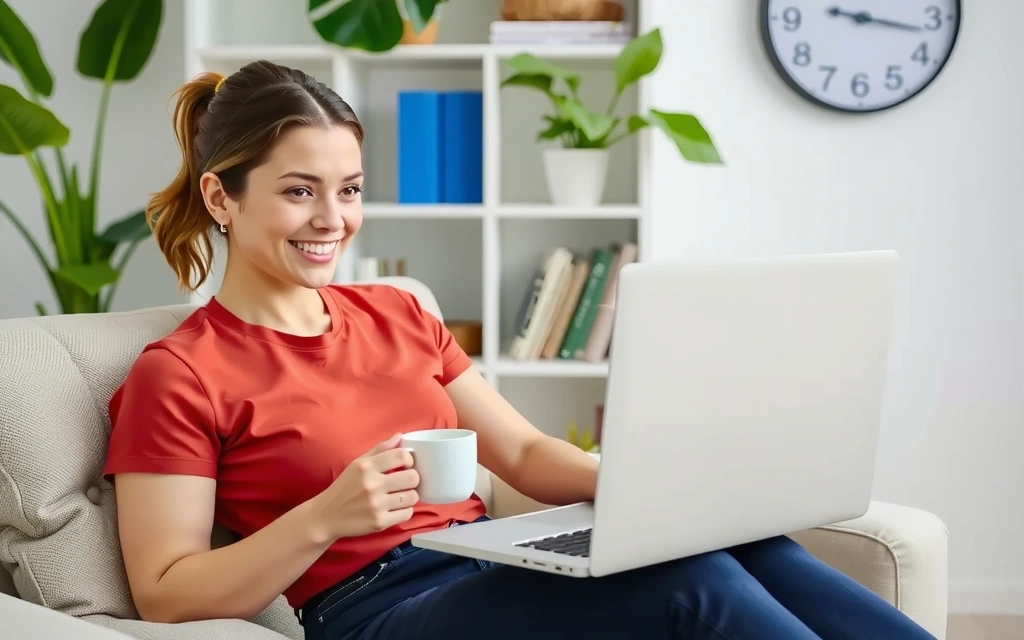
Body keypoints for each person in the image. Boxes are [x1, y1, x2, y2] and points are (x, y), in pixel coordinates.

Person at [103, 60, 936, 640]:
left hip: (486, 565)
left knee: (733, 545)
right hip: (377, 612)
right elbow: (167, 592)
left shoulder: (397, 311)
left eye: (350, 190)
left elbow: (527, 453)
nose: (333, 220)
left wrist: (669, 495)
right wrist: (327, 517)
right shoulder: (180, 374)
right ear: (221, 195)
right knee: (697, 586)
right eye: (298, 191)